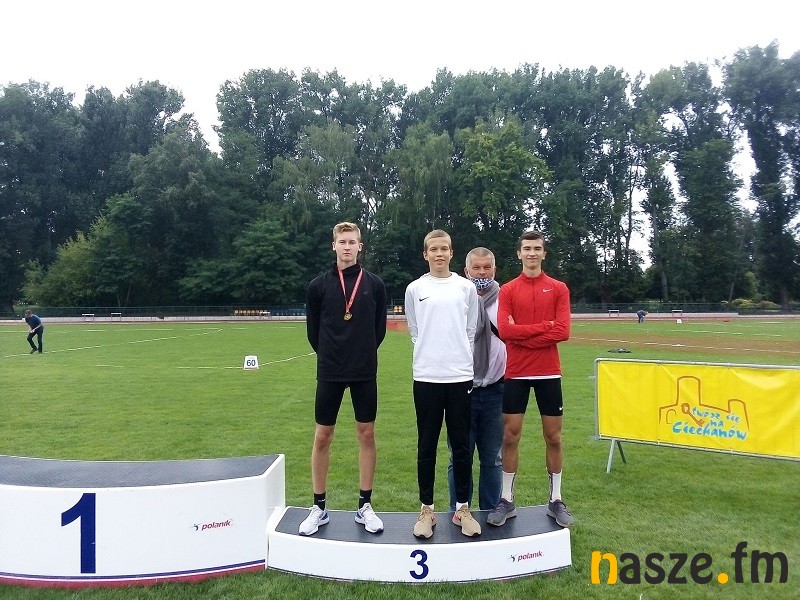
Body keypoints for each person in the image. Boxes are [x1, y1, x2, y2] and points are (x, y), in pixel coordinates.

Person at [300, 222, 388, 536]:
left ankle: (364, 506)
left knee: (367, 434)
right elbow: (313, 332)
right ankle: (319, 507)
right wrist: (331, 355)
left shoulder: (374, 284)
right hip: (330, 371)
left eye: (352, 242)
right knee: (323, 436)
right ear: (334, 245)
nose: (347, 247)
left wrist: (360, 352)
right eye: (342, 242)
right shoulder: (318, 286)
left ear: (360, 246)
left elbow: (379, 330)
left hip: (364, 370)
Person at [487, 230, 575, 529]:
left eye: (537, 248)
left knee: (554, 437)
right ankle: (507, 499)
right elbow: (505, 331)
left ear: (544, 253)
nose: (532, 253)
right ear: (519, 253)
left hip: (549, 372)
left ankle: (556, 500)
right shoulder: (509, 290)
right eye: (527, 248)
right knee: (510, 436)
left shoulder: (559, 288)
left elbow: (563, 331)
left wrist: (523, 334)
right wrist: (544, 328)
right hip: (517, 372)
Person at [405, 229, 481, 538]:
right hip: (426, 377)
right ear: (425, 254)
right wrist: (431, 356)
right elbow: (415, 330)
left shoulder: (466, 288)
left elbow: (471, 329)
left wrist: (458, 358)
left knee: (461, 446)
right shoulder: (415, 288)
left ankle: (462, 509)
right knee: (426, 445)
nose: (439, 253)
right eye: (433, 249)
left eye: (444, 248)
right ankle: (427, 510)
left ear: (451, 253)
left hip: (459, 376)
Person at [446, 247, 505, 512]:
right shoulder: (456, 298)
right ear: (466, 270)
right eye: (476, 268)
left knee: (493, 459)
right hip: (461, 389)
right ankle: (459, 511)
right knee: (459, 457)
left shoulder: (505, 300)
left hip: (496, 389)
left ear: (494, 269)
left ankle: (491, 512)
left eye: (487, 267)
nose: (482, 273)